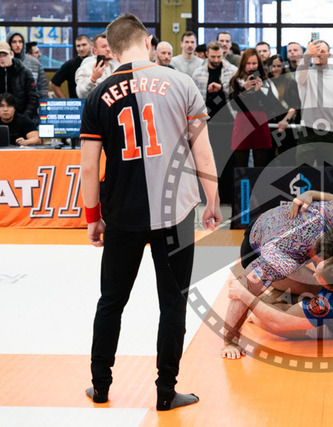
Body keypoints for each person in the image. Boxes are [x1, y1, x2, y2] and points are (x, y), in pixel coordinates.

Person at [80, 13, 222, 411]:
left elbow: (88, 166)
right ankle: (165, 391)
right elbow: (203, 150)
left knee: (111, 301)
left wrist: (92, 217)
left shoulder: (97, 94)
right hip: (176, 211)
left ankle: (101, 386)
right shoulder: (181, 82)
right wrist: (212, 199)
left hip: (122, 213)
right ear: (147, 43)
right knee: (173, 303)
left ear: (111, 49)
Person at [221, 190, 333, 358]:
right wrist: (230, 342)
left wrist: (246, 296)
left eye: (319, 276)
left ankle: (312, 320)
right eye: (318, 271)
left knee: (266, 319)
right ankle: (271, 297)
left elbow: (279, 322)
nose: (313, 276)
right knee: (257, 290)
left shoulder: (329, 302)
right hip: (261, 240)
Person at [295, 39, 333, 165]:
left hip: (331, 133)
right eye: (315, 51)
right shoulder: (305, 74)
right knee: (303, 173)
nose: (318, 54)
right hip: (307, 131)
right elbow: (300, 74)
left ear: (329, 55)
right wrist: (307, 55)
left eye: (322, 51)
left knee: (328, 174)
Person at [229, 48, 281, 167]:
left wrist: (260, 91)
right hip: (242, 121)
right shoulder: (236, 80)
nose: (251, 67)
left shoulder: (265, 81)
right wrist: (244, 90)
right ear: (243, 64)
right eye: (248, 63)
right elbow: (234, 105)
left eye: (254, 63)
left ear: (259, 64)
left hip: (260, 122)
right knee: (240, 166)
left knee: (260, 166)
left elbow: (272, 105)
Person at [265, 54, 300, 155]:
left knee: (286, 157)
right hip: (268, 125)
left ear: (283, 67)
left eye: (278, 66)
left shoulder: (290, 83)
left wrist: (286, 120)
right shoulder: (265, 83)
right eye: (273, 66)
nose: (275, 69)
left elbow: (295, 105)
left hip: (286, 125)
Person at [192, 41, 237, 119]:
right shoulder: (198, 73)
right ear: (207, 54)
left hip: (228, 116)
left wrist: (222, 87)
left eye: (219, 56)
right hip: (206, 117)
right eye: (213, 57)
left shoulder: (232, 71)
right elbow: (193, 98)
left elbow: (239, 91)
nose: (216, 60)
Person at [0, 42, 38, 122]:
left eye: (4, 55)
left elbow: (33, 98)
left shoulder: (25, 73)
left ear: (11, 54)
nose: (2, 58)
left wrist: (25, 118)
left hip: (21, 117)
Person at [75, 34, 120, 98]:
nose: (108, 49)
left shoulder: (116, 68)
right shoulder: (86, 68)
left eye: (109, 46)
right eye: (103, 47)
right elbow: (81, 94)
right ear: (95, 51)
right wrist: (93, 79)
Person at [8, 32, 48, 99]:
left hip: (31, 102)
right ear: (9, 43)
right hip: (7, 103)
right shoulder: (3, 63)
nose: (17, 45)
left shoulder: (35, 62)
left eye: (20, 42)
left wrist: (43, 103)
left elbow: (42, 89)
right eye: (14, 42)